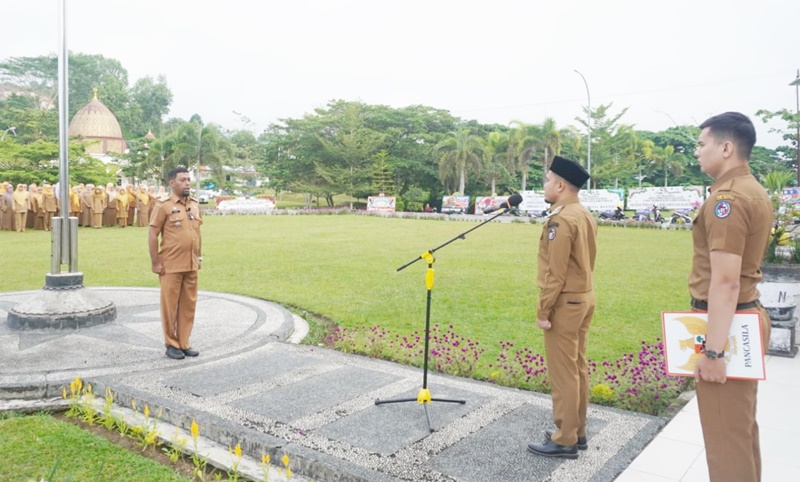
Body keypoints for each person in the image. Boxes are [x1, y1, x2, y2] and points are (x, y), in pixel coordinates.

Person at [689, 112, 772, 482]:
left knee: (725, 439)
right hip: (745, 315)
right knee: (739, 431)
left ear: (726, 147)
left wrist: (713, 352)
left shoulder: (729, 199)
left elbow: (725, 282)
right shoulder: (751, 188)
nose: (697, 152)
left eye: (701, 144)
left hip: (730, 324)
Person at [527, 155, 596, 460]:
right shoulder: (582, 213)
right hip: (583, 296)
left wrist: (543, 311)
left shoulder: (561, 219)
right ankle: (576, 431)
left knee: (564, 373)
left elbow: (555, 273)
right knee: (577, 368)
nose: (545, 184)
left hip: (565, 302)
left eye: (547, 179)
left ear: (560, 184)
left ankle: (565, 438)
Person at [149, 167, 203, 360]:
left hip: (190, 264)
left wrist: (199, 257)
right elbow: (153, 234)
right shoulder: (163, 205)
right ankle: (171, 344)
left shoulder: (195, 205)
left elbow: (197, 234)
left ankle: (184, 342)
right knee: (170, 306)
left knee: (188, 305)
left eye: (188, 179)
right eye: (182, 180)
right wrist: (156, 262)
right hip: (170, 265)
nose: (187, 183)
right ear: (172, 183)